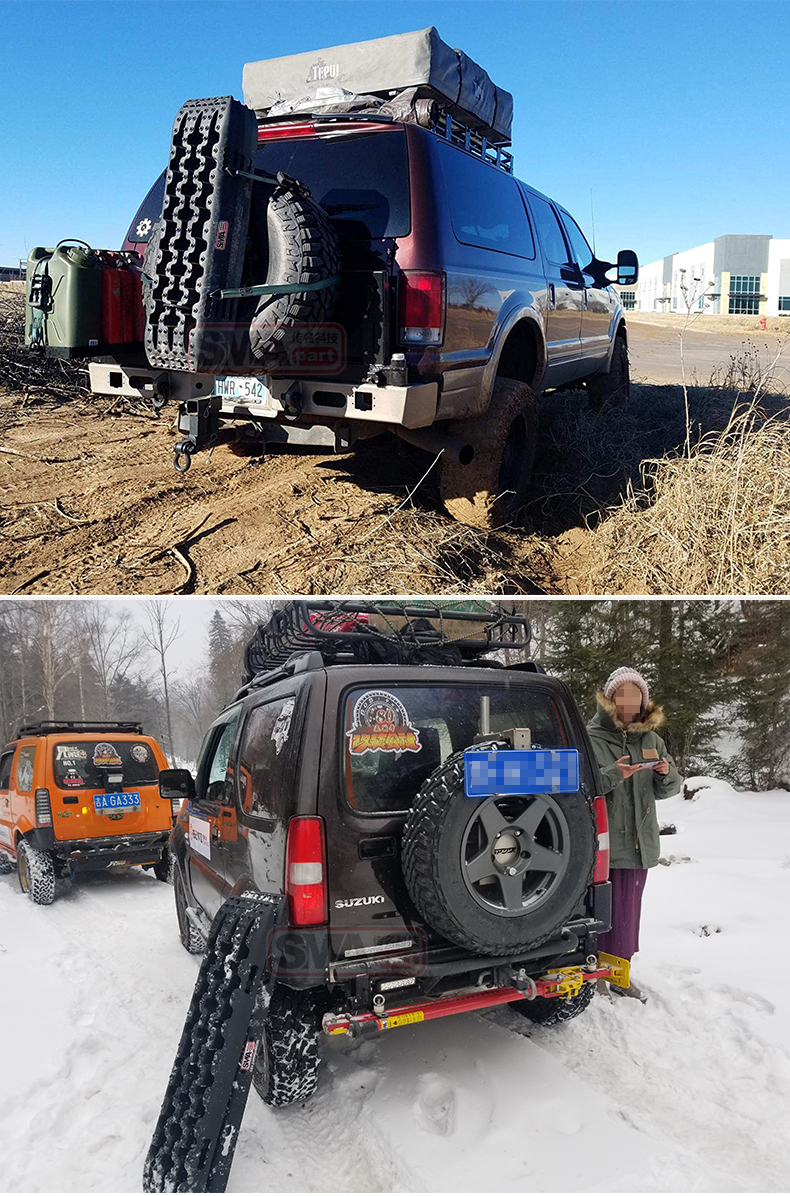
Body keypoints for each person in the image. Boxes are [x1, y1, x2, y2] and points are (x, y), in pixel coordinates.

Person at [587, 667, 680, 1002]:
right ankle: (592, 973)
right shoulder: (592, 737)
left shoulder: (652, 740)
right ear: (610, 698)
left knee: (628, 915)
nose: (630, 700)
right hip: (604, 844)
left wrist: (667, 773)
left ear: (643, 699)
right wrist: (614, 774)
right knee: (599, 912)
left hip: (640, 844)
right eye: (622, 693)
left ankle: (620, 975)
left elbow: (668, 789)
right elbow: (583, 787)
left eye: (636, 694)